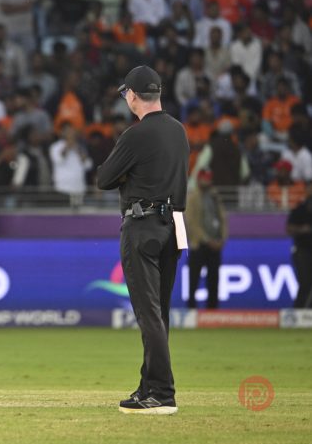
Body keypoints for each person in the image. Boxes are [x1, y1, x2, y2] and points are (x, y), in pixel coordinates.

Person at [96, 65, 189, 415]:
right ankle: (148, 386)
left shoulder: (135, 135)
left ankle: (162, 392)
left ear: (133, 95)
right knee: (160, 313)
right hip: (173, 225)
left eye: (126, 94)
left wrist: (127, 177)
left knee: (148, 314)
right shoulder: (178, 131)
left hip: (142, 225)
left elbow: (104, 178)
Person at [185, 170, 227, 309]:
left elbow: (223, 218)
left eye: (208, 179)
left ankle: (212, 309)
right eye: (204, 179)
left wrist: (222, 239)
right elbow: (191, 222)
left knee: (214, 279)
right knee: (194, 279)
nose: (206, 182)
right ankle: (191, 309)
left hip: (215, 244)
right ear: (198, 180)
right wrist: (207, 239)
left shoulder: (215, 197)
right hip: (199, 244)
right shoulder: (192, 197)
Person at [287, 181, 312, 308]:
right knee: (305, 283)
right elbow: (289, 229)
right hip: (303, 251)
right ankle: (299, 312)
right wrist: (303, 229)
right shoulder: (300, 209)